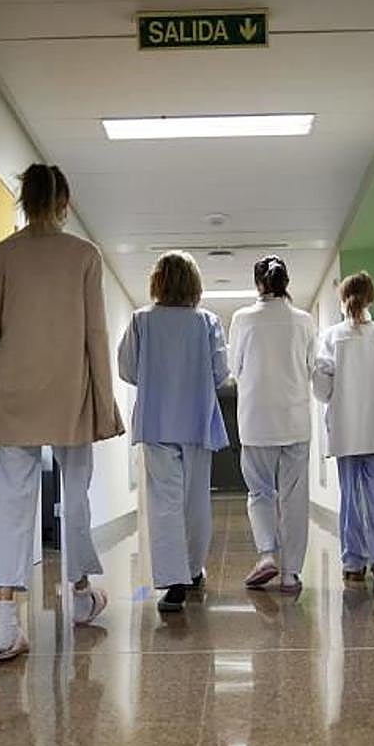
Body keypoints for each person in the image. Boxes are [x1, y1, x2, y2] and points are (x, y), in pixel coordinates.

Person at [0, 163, 124, 662]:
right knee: (74, 498)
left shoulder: (1, 255)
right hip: (69, 392)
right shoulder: (84, 256)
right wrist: (104, 403)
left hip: (13, 394)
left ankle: (5, 625)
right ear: (64, 202)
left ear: (24, 200)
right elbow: (95, 334)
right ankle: (79, 595)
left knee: (9, 502)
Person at [118, 251, 230, 613]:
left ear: (157, 282)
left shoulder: (140, 321)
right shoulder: (208, 322)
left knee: (163, 503)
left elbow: (128, 370)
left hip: (156, 420)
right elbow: (220, 372)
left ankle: (174, 580)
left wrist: (155, 376)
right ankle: (194, 569)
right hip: (197, 420)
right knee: (196, 499)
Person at [313, 271, 374, 592]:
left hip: (347, 432)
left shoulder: (330, 337)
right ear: (371, 299)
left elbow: (322, 390)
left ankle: (353, 563)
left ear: (343, 300)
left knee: (351, 498)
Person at [227, 256, 317, 594]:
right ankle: (291, 573)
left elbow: (234, 368)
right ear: (286, 283)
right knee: (294, 499)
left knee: (260, 492)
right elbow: (312, 366)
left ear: (257, 283)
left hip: (256, 421)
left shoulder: (242, 319)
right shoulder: (304, 321)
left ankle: (267, 555)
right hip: (294, 421)